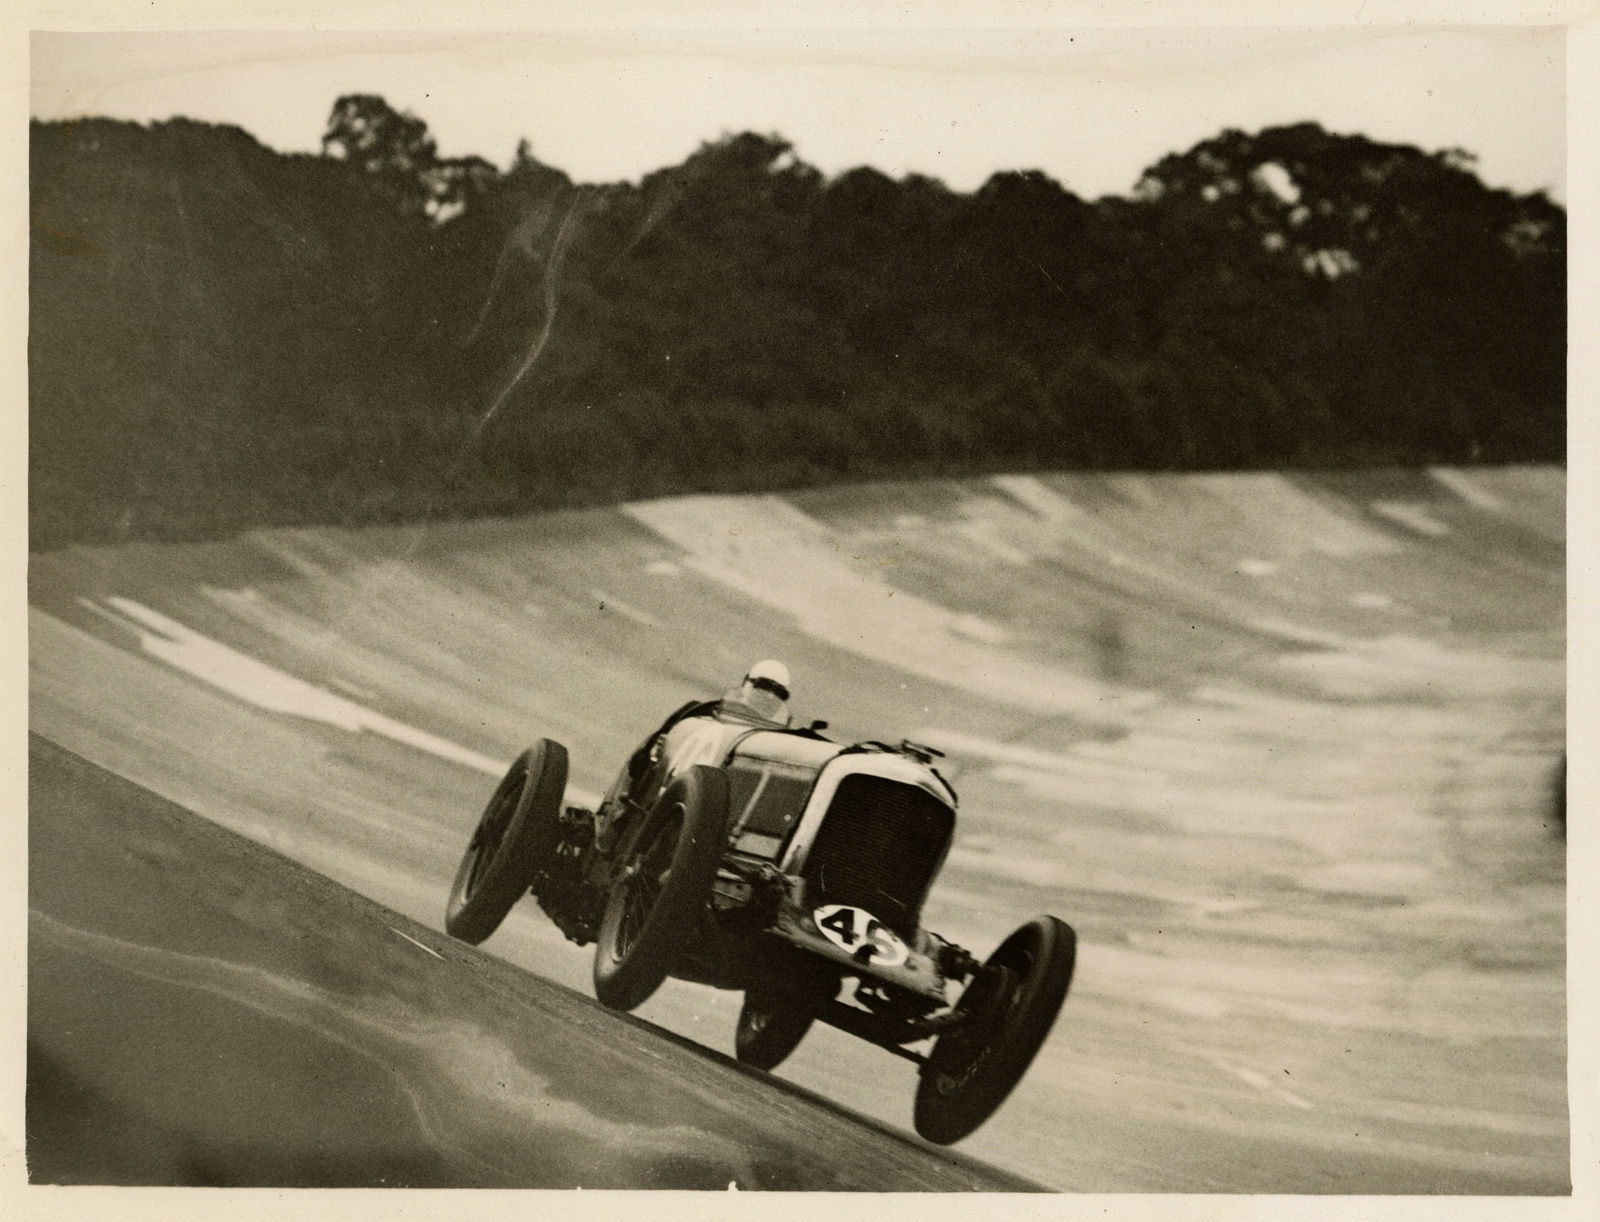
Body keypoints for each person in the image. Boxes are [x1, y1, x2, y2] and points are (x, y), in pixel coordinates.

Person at [719, 659, 793, 726]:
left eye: (779, 693)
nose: (770, 696)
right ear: (747, 683)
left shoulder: (780, 736)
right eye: (765, 686)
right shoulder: (721, 717)